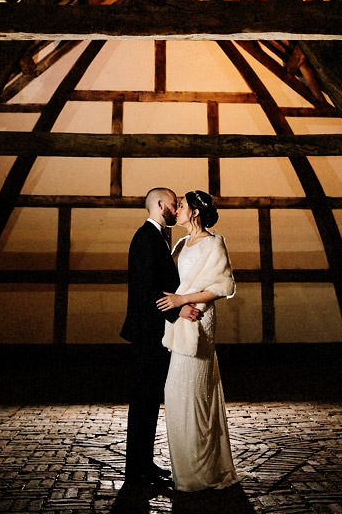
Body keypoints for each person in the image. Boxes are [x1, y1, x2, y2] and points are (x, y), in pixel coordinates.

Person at [155, 189, 239, 492]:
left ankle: (202, 472)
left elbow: (222, 286)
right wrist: (177, 304)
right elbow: (169, 282)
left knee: (195, 394)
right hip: (182, 320)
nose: (176, 209)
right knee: (176, 394)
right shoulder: (179, 244)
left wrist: (183, 300)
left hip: (200, 321)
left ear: (195, 213)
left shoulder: (214, 243)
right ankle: (186, 468)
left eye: (182, 207)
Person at [120, 187, 201, 488]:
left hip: (155, 332)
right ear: (159, 204)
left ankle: (144, 465)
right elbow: (144, 288)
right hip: (147, 331)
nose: (176, 206)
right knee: (143, 401)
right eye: (173, 202)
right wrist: (176, 311)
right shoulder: (145, 238)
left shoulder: (157, 237)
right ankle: (136, 471)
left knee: (150, 401)